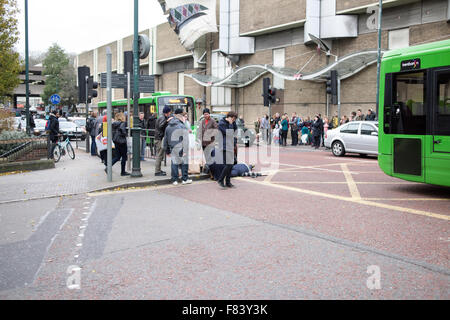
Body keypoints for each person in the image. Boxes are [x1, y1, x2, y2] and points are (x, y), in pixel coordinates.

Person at [164, 108, 192, 185]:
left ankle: (174, 180)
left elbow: (165, 139)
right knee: (184, 163)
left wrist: (167, 150)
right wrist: (185, 151)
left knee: (174, 163)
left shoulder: (168, 126)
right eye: (183, 116)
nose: (185, 118)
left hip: (172, 147)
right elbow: (185, 140)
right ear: (180, 116)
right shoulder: (182, 126)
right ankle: (184, 179)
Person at [217, 111, 238, 189]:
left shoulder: (233, 123)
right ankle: (220, 180)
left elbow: (235, 133)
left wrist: (234, 143)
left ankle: (228, 182)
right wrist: (230, 124)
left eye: (235, 119)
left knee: (231, 164)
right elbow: (229, 133)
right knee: (228, 164)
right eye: (233, 118)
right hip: (224, 146)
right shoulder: (221, 124)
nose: (234, 120)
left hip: (231, 145)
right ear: (229, 117)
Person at [154, 106, 172, 176]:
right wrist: (167, 121)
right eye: (169, 112)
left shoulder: (162, 117)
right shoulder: (162, 118)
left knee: (160, 155)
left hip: (159, 138)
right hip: (159, 139)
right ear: (167, 112)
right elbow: (161, 126)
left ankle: (158, 170)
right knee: (159, 155)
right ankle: (157, 171)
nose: (170, 113)